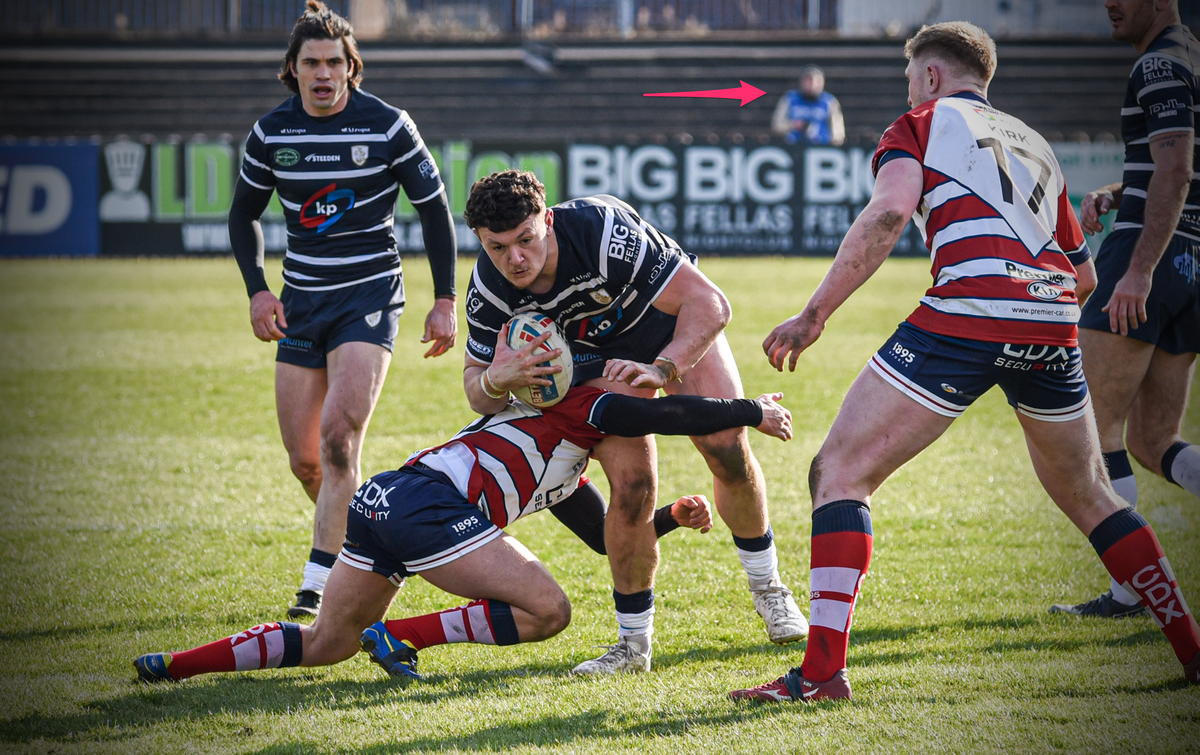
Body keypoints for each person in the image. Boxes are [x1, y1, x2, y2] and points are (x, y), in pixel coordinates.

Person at [730, 21, 1200, 704]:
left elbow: (889, 214)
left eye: (910, 76)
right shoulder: (1036, 145)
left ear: (929, 76)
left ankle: (822, 674)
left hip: (969, 314)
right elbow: (1084, 277)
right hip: (1051, 322)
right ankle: (1191, 649)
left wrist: (814, 314)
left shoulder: (918, 122)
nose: (910, 88)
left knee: (839, 473)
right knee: (1093, 496)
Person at [132, 335, 794, 685]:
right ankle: (400, 636)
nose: (627, 377)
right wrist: (750, 411)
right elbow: (669, 412)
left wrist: (669, 520)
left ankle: (176, 665)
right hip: (428, 506)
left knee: (326, 643)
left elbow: (602, 536)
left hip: (388, 497)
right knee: (551, 611)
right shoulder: (583, 403)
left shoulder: (562, 454)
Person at [460, 170, 810, 675]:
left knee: (725, 447)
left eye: (526, 240)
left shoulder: (601, 233)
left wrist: (664, 367)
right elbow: (477, 393)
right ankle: (633, 647)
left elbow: (710, 303)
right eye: (497, 247)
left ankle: (769, 589)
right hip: (596, 361)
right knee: (632, 486)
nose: (515, 259)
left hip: (669, 326)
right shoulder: (489, 290)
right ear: (479, 240)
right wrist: (498, 377)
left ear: (548, 220)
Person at [228, 0, 458, 620]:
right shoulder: (272, 132)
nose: (323, 73)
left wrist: (444, 300)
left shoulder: (387, 125)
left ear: (350, 67)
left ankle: (317, 586)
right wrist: (257, 289)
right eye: (312, 63)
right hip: (301, 302)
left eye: (334, 61)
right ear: (293, 70)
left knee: (338, 441)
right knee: (308, 460)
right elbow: (243, 214)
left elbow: (433, 209)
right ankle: (370, 546)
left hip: (370, 296)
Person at [1049, 0, 1200, 619]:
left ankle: (1131, 591)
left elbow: (1177, 167)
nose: (1108, 3)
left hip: (1147, 260)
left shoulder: (1158, 66)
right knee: (1153, 438)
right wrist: (1119, 189)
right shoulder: (1189, 58)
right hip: (1191, 264)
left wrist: (1137, 269)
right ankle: (1134, 588)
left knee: (1095, 431)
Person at [770, 65, 846, 146]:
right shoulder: (790, 99)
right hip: (794, 147)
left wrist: (834, 143)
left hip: (822, 147)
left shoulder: (829, 101)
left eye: (816, 81)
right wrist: (793, 125)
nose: (812, 85)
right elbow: (776, 125)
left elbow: (838, 130)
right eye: (808, 81)